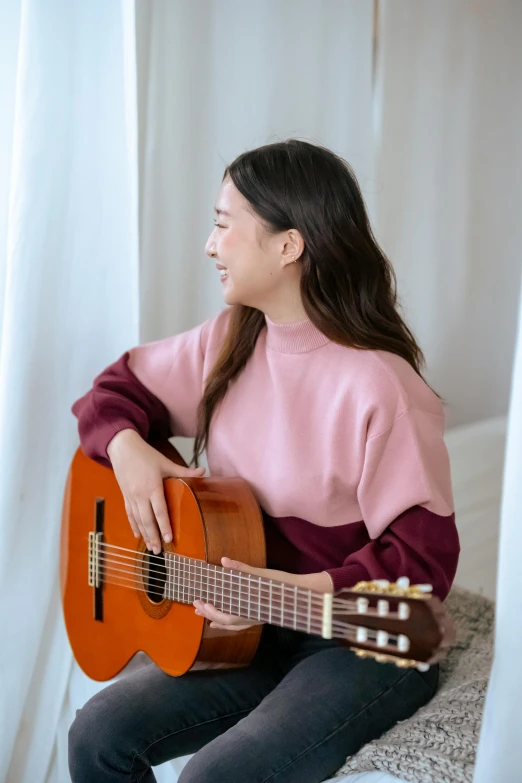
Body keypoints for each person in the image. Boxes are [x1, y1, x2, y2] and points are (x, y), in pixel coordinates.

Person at [68, 139, 459, 783]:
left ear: (288, 245)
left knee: (215, 777)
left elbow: (422, 569)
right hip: (244, 633)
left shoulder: (383, 387)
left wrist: (290, 595)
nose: (209, 245)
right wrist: (128, 450)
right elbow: (113, 391)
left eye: (223, 224)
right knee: (95, 736)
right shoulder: (228, 341)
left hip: (355, 641)